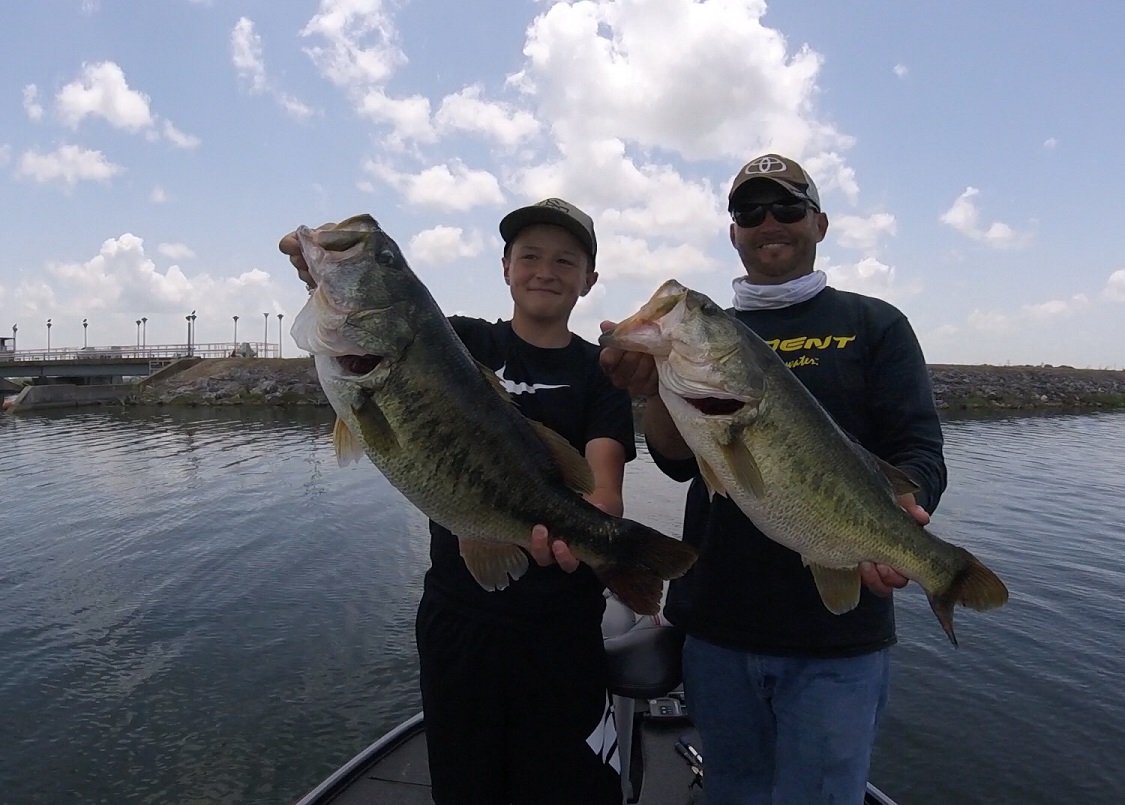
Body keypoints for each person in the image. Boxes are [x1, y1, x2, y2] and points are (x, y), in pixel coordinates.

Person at [599, 154, 947, 803]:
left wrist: (907, 508)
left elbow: (921, 448)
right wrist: (652, 391)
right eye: (749, 211)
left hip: (836, 643)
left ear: (819, 222)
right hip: (718, 635)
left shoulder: (876, 326)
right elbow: (679, 460)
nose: (769, 223)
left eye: (787, 207)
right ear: (733, 231)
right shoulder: (705, 345)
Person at [280, 198, 632, 805]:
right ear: (504, 266)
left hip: (562, 630)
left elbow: (602, 490)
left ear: (588, 280)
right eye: (529, 256)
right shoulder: (457, 341)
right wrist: (321, 270)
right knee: (465, 785)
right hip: (459, 619)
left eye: (565, 260)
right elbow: (393, 317)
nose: (545, 270)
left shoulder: (597, 372)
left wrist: (592, 536)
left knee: (570, 790)